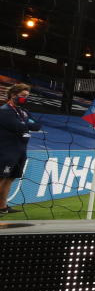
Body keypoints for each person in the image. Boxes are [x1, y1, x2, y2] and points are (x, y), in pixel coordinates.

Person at [0, 83, 41, 214]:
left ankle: (2, 207)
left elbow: (37, 125)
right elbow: (18, 126)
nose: (25, 99)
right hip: (6, 151)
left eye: (27, 96)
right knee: (1, 178)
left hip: (20, 151)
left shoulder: (23, 111)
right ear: (13, 95)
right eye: (23, 96)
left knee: (10, 179)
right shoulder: (4, 111)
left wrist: (26, 123)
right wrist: (26, 123)